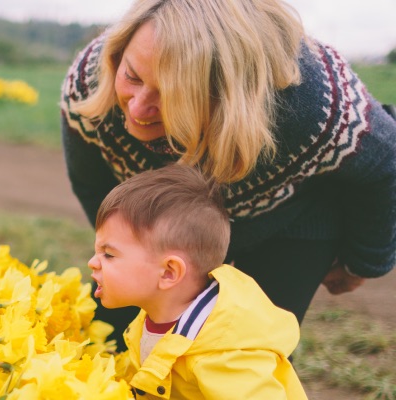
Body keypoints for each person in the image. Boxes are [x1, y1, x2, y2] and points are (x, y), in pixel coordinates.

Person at [61, 0, 396, 350]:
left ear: (228, 95)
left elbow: (384, 162)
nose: (138, 106)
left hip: (288, 217)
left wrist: (364, 261)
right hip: (164, 222)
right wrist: (123, 254)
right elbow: (92, 183)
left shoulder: (311, 101)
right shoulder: (90, 79)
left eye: (170, 95)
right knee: (119, 343)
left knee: (247, 351)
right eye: (132, 76)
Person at [89, 164, 307, 399]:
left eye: (109, 254)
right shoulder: (154, 315)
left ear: (169, 273)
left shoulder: (224, 355)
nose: (93, 262)